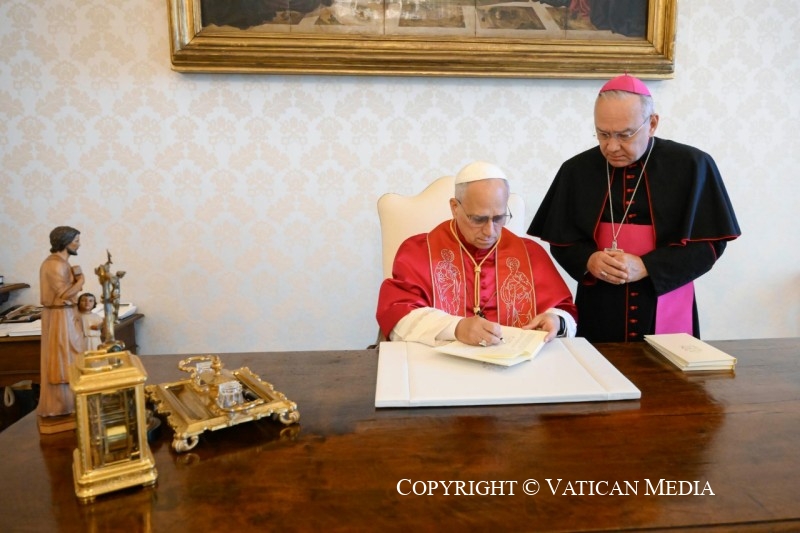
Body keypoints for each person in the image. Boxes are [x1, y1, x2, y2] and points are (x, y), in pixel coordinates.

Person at [528, 74, 740, 343]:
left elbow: (710, 245)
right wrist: (589, 260)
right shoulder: (576, 170)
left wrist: (647, 266)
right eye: (603, 134)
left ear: (652, 124)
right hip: (599, 303)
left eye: (625, 135)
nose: (612, 146)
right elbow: (562, 240)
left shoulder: (692, 165)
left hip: (664, 298)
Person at [377, 161, 577, 347]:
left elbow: (564, 310)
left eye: (498, 218)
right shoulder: (419, 251)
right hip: (441, 367)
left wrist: (556, 320)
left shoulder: (530, 254)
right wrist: (456, 328)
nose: (490, 231)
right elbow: (398, 316)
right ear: (455, 208)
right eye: (478, 219)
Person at [37, 226, 86, 423]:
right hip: (60, 317)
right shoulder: (55, 265)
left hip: (67, 314)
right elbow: (64, 294)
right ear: (65, 242)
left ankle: (71, 403)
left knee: (73, 357)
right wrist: (80, 281)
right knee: (63, 360)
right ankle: (61, 405)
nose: (79, 244)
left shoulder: (63, 263)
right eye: (76, 240)